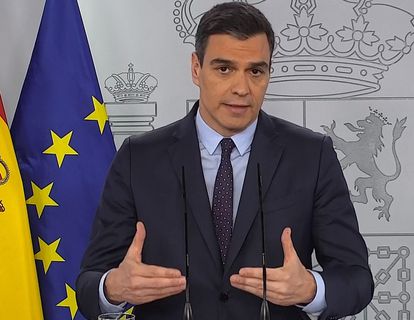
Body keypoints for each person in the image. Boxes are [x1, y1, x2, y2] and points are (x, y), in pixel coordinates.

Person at [76, 2, 374, 320]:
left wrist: (311, 290)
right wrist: (113, 289)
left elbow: (356, 279)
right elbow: (89, 284)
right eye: (224, 69)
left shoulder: (311, 156)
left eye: (255, 71)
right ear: (196, 68)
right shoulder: (140, 158)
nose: (241, 88)